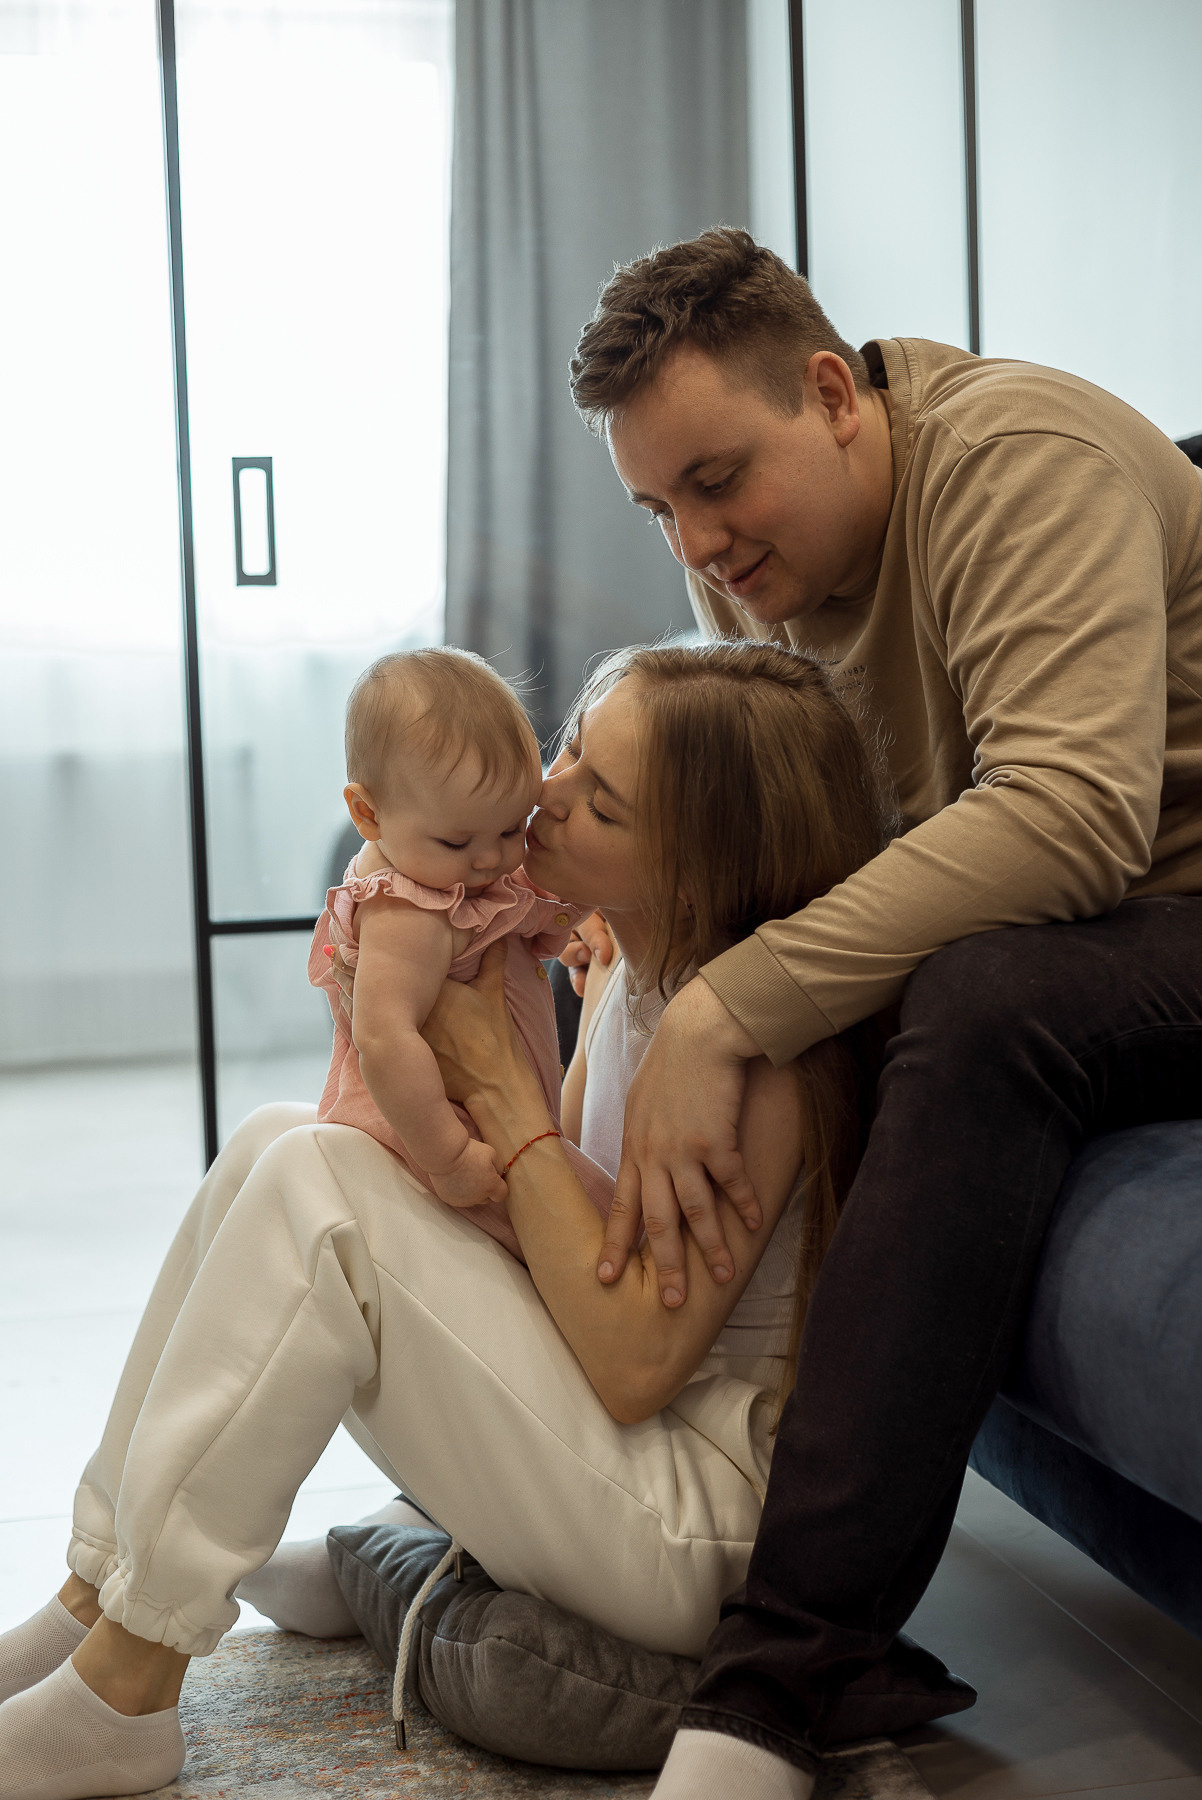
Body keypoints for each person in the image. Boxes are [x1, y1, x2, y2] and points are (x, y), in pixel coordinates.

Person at [0, 639, 891, 1800]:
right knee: (279, 1139)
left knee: (319, 1189)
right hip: (619, 1448)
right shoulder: (626, 973)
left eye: (600, 804)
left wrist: (502, 1098)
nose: (545, 796)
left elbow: (634, 1366)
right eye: (568, 750)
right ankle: (95, 1597)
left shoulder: (758, 1071)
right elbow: (557, 1220)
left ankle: (129, 1688)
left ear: (693, 871)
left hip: (692, 1519)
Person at [562, 228, 1202, 1800]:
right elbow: (798, 859)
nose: (698, 544)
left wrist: (724, 1009)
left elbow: (1068, 820)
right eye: (659, 510)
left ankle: (789, 1668)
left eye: (717, 481)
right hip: (1092, 936)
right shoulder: (757, 576)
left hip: (1168, 902)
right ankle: (560, 1479)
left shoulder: (1017, 465)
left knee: (967, 994)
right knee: (644, 944)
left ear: (834, 395)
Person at [308, 645, 610, 1258]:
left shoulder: (442, 868)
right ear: (367, 813)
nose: (491, 859)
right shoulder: (408, 914)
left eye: (511, 828)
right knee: (600, 1225)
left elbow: (521, 900)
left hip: (480, 1118)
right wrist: (448, 1157)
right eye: (458, 841)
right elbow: (384, 1039)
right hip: (436, 1137)